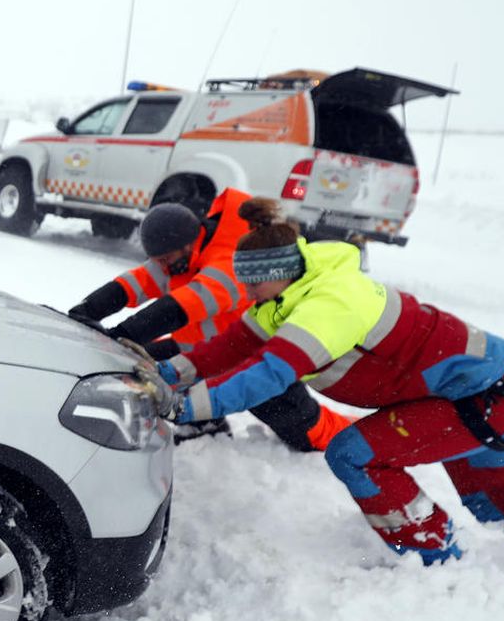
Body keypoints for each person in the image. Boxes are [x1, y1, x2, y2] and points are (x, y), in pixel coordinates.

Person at [159, 196, 504, 575]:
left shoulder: (330, 304)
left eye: (253, 282)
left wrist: (183, 407)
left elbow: (268, 375)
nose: (247, 292)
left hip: (487, 393)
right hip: (466, 387)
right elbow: (228, 347)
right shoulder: (284, 300)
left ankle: (437, 561)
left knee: (354, 453)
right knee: (497, 501)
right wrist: (168, 374)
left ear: (278, 272)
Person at [69, 183, 351, 451]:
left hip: (256, 358)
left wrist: (120, 334)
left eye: (165, 260)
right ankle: (204, 424)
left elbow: (182, 307)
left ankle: (362, 438)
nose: (161, 266)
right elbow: (136, 282)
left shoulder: (230, 261)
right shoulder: (181, 254)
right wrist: (88, 310)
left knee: (308, 433)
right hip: (206, 351)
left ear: (190, 243)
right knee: (133, 363)